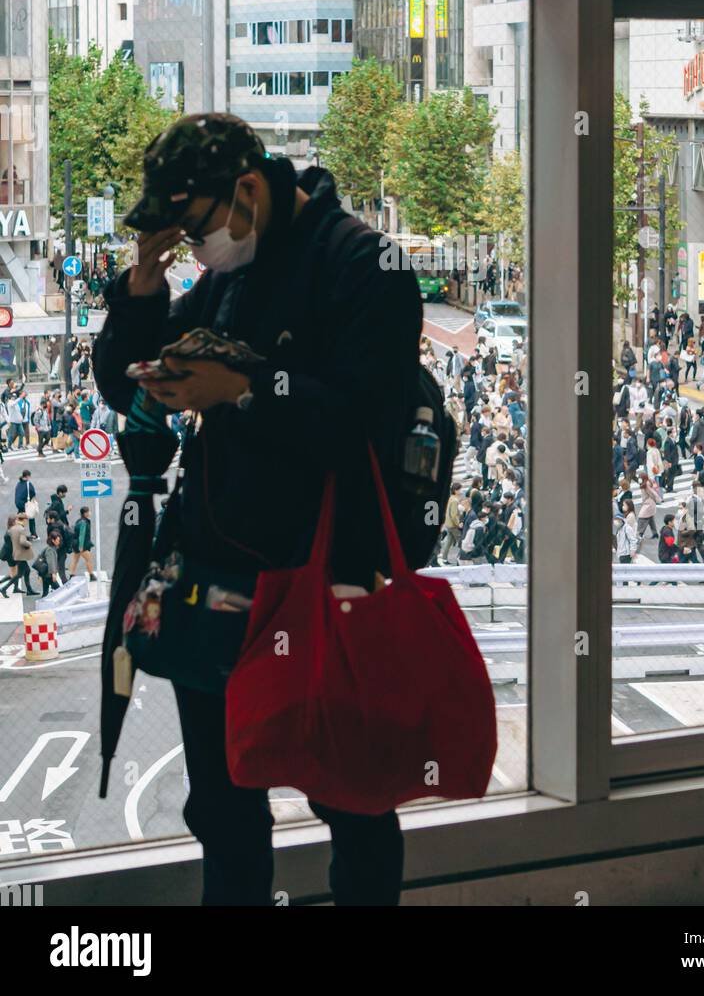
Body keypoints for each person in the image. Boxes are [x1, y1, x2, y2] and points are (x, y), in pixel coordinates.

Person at [93, 112, 425, 908]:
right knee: (224, 812)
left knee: (352, 801)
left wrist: (241, 391)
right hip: (216, 584)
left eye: (196, 223)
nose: (194, 243)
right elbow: (119, 383)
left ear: (248, 189)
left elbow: (363, 424)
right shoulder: (227, 274)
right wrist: (143, 289)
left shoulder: (362, 262)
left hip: (327, 586)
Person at [0, 514, 36, 597]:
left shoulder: (11, 530)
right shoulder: (12, 531)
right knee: (17, 574)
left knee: (25, 571)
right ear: (13, 522)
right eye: (16, 520)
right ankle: (4, 588)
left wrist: (27, 537)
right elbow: (17, 541)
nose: (18, 521)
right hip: (13, 554)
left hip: (13, 554)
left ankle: (23, 589)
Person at [35, 528, 64, 598]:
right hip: (48, 574)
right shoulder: (50, 550)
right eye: (57, 540)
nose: (59, 542)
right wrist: (53, 573)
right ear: (53, 540)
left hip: (45, 574)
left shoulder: (51, 548)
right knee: (59, 590)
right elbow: (51, 562)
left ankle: (42, 605)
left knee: (45, 592)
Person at [68, 506, 96, 582]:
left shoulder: (79, 521)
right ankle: (91, 575)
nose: (89, 513)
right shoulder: (84, 522)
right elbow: (82, 535)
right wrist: (81, 546)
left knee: (75, 560)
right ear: (85, 513)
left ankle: (71, 575)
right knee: (88, 559)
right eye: (88, 512)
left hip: (75, 543)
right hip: (81, 545)